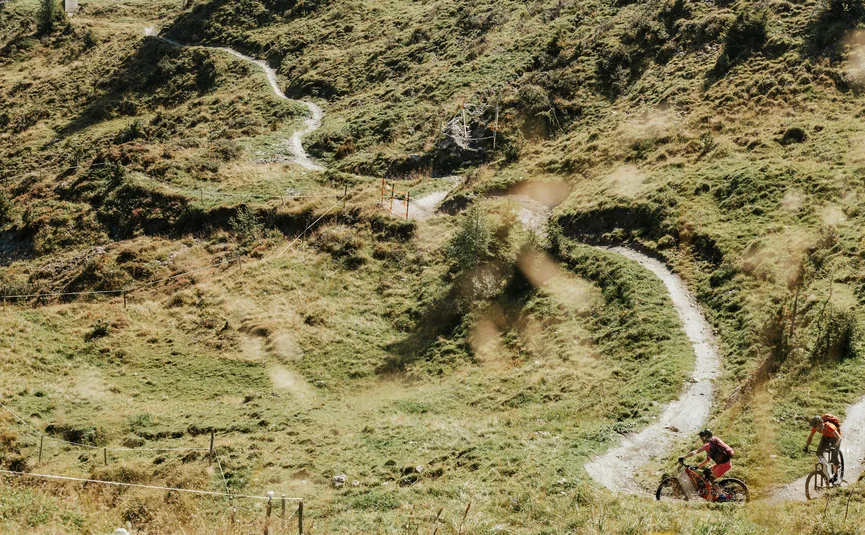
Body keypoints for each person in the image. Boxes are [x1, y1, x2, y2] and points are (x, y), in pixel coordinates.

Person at [679, 429, 735, 499]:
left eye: (702, 437)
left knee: (710, 480)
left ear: (705, 436)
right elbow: (708, 460)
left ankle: (722, 496)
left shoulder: (708, 445)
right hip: (723, 463)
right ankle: (713, 492)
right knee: (706, 473)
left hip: (724, 464)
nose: (701, 438)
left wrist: (684, 457)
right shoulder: (711, 445)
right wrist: (697, 467)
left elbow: (695, 452)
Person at [804, 414, 842, 484]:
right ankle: (827, 470)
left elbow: (839, 438)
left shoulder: (830, 427)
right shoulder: (815, 427)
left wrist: (835, 446)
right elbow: (810, 437)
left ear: (820, 424)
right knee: (818, 452)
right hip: (826, 436)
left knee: (834, 456)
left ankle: (836, 475)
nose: (815, 429)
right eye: (814, 427)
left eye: (816, 427)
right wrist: (806, 446)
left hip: (835, 438)